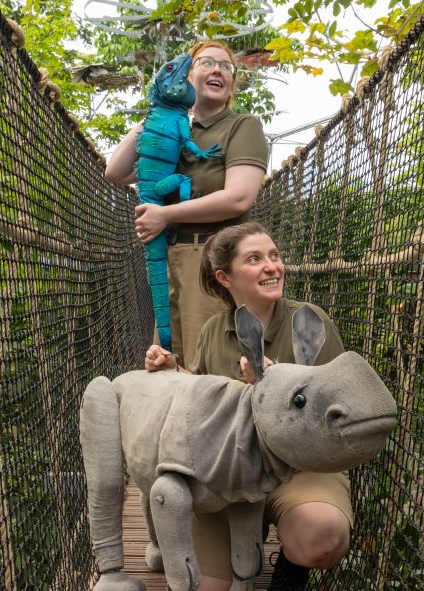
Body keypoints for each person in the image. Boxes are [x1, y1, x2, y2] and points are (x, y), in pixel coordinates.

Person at [144, 223, 353, 591]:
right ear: (225, 277)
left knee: (322, 537)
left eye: (274, 256)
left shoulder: (308, 321)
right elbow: (200, 392)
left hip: (300, 469)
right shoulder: (212, 330)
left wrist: (279, 392)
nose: (272, 266)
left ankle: (287, 579)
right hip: (231, 474)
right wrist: (173, 370)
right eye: (255, 259)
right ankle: (244, 542)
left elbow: (342, 402)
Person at [105, 39, 268, 369]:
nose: (217, 70)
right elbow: (116, 171)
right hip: (171, 260)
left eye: (225, 66)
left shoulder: (242, 126)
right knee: (165, 367)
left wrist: (165, 214)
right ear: (187, 77)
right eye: (206, 63)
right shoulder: (176, 130)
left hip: (213, 261)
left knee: (206, 371)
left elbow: (239, 197)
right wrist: (159, 111)